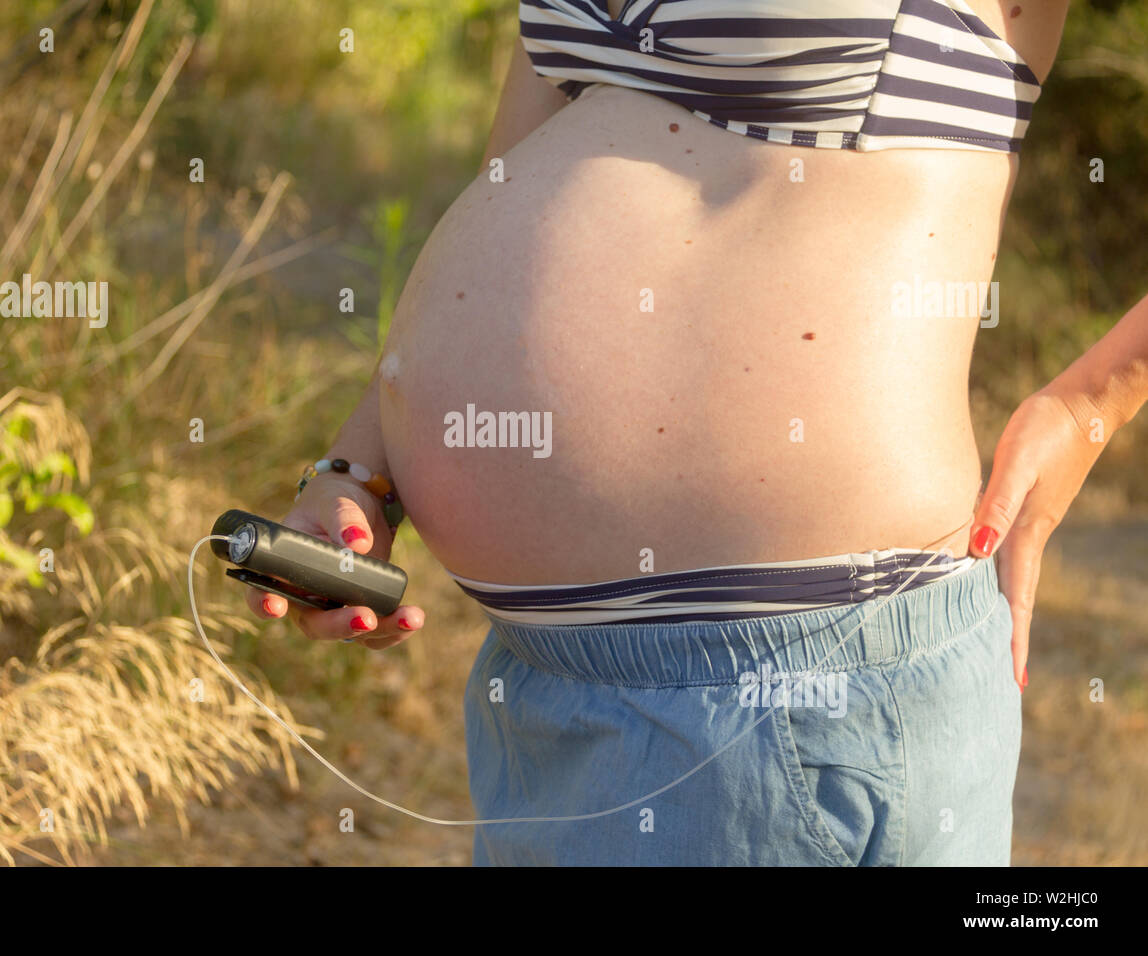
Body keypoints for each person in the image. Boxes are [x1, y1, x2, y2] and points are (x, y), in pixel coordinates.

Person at [244, 0, 1146, 864]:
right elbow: (506, 195)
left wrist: (1092, 401)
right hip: (552, 688)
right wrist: (361, 471)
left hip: (783, 684)